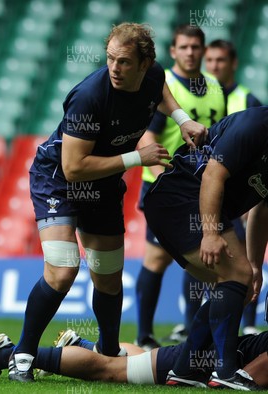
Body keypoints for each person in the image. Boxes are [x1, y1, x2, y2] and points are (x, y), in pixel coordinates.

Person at [10, 22, 207, 382]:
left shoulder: (154, 74)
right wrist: (137, 158)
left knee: (108, 276)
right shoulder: (90, 96)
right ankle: (21, 353)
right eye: (111, 59)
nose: (115, 68)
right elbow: (72, 168)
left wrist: (181, 119)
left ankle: (108, 352)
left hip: (102, 184)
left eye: (125, 62)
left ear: (144, 64)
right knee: (63, 267)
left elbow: (160, 87)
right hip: (58, 180)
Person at [143, 106, 268, 388]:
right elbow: (212, 176)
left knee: (240, 283)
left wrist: (256, 265)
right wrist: (210, 234)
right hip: (179, 198)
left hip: (192, 205)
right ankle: (225, 374)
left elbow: (263, 210)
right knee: (236, 275)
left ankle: (186, 370)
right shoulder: (256, 123)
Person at [135, 25, 225, 351]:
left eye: (195, 47)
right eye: (183, 47)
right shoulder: (165, 87)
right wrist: (162, 180)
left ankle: (190, 331)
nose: (190, 53)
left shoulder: (215, 86)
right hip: (165, 189)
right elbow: (147, 137)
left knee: (201, 256)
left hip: (201, 188)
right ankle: (144, 335)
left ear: (202, 50)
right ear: (173, 51)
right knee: (157, 259)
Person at [0, 329, 267, 389]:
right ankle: (5, 355)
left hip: (218, 353)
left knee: (140, 360)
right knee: (110, 370)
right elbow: (246, 381)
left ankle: (81, 345)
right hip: (209, 360)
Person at [205, 38, 264, 336]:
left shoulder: (249, 102)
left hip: (241, 198)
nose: (215, 66)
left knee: (242, 268)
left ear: (233, 64)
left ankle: (248, 325)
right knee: (211, 262)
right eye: (210, 60)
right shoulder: (195, 96)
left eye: (221, 60)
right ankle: (202, 342)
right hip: (203, 192)